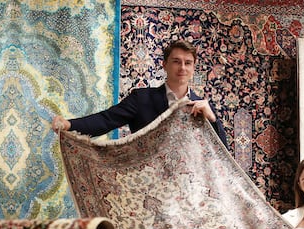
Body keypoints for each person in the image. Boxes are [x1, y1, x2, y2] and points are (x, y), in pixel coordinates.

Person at [51, 39, 228, 148]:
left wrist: (212, 120)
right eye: (176, 61)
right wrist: (69, 125)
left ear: (193, 68)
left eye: (188, 63)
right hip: (148, 186)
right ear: (164, 65)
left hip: (188, 190)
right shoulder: (141, 99)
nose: (182, 67)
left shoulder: (202, 106)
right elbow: (106, 120)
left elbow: (221, 153)